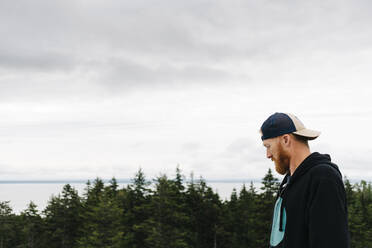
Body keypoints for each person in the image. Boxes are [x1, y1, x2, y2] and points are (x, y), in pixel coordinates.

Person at [260, 112, 350, 248]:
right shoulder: (290, 182)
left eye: (268, 146)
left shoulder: (323, 177)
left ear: (285, 140)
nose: (267, 155)